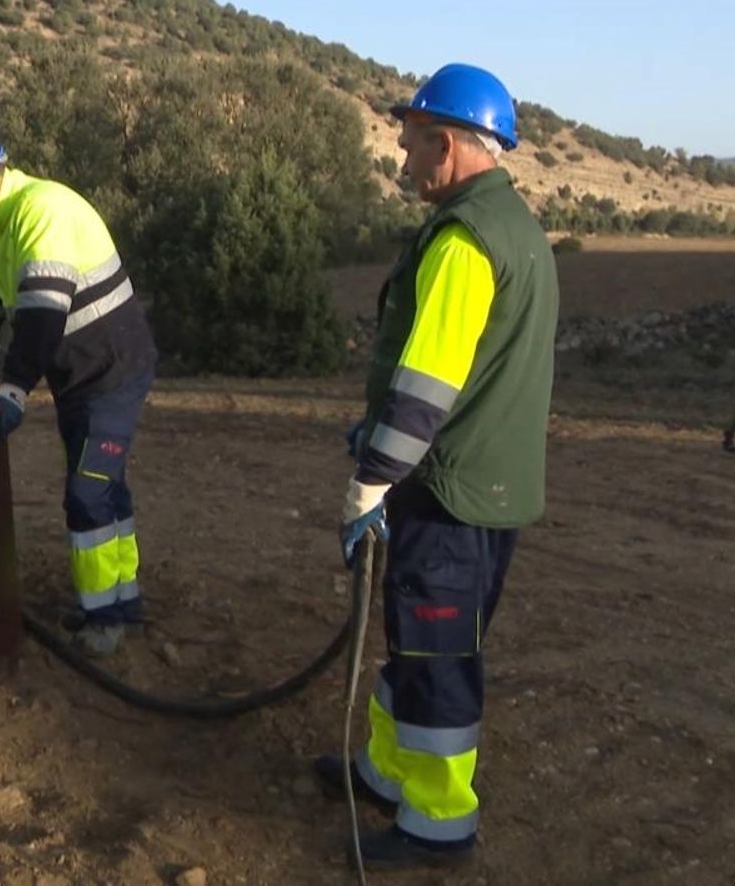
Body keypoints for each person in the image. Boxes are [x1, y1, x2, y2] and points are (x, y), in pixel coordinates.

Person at [319, 63, 558, 869]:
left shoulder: (463, 242)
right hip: (486, 484)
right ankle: (385, 774)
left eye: (413, 141)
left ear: (449, 144)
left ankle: (436, 826)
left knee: (438, 658)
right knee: (416, 644)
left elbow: (427, 388)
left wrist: (372, 478)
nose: (403, 158)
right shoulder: (514, 226)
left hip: (447, 494)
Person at [0, 128, 157, 657]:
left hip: (111, 374)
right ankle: (123, 599)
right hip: (80, 377)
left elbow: (42, 317)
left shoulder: (40, 211)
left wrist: (15, 388)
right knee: (104, 487)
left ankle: (103, 619)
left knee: (88, 492)